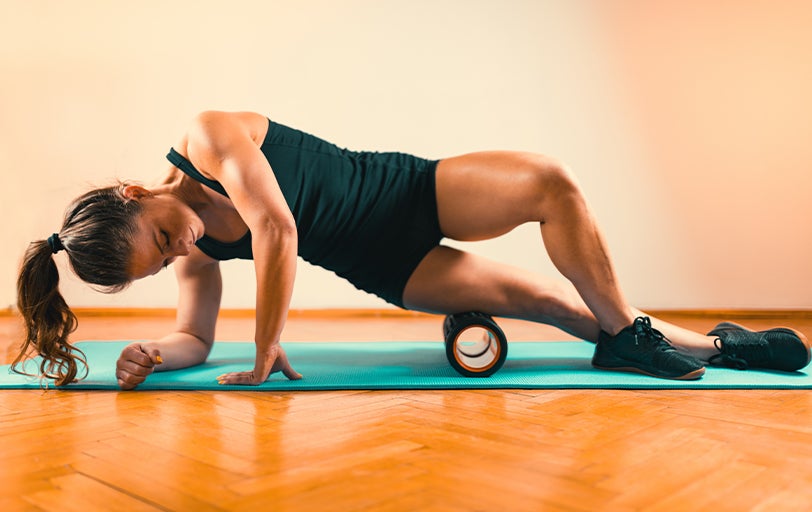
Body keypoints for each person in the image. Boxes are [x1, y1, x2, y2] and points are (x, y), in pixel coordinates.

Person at [14, 111, 810, 389]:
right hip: (385, 263)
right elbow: (195, 336)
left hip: (405, 190)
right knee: (556, 306)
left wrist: (269, 346)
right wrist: (155, 348)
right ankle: (713, 347)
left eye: (159, 237)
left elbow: (279, 229)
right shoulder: (193, 251)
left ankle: (640, 336)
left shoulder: (207, 135)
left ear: (133, 193)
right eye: (163, 261)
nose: (178, 247)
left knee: (551, 182)